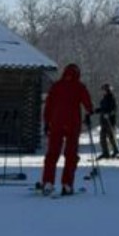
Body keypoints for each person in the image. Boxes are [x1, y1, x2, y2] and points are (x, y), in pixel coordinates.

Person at [38, 63, 94, 196]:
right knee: (71, 155)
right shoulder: (79, 87)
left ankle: (48, 183)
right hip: (73, 124)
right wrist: (89, 113)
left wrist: (47, 123)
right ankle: (67, 184)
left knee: (52, 154)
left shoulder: (56, 86)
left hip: (56, 123)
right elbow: (88, 105)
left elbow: (49, 106)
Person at [95, 83, 119, 159]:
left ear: (108, 90)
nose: (103, 92)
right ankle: (105, 153)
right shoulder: (103, 99)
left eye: (104, 90)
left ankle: (116, 151)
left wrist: (109, 114)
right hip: (103, 121)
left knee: (111, 137)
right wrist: (96, 110)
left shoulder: (112, 98)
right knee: (102, 137)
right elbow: (103, 109)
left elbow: (114, 109)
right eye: (103, 90)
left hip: (110, 121)